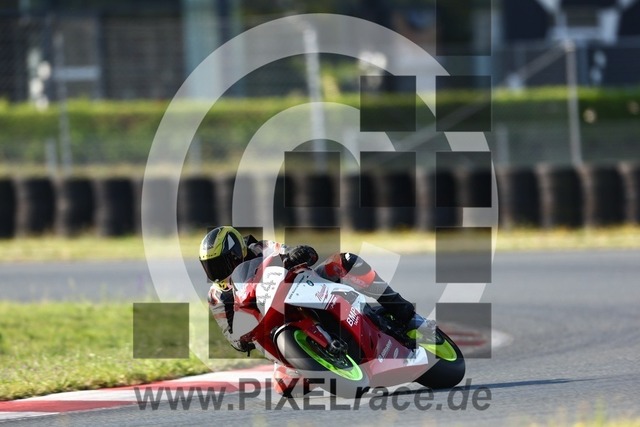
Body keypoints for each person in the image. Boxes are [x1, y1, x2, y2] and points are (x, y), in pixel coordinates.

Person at [199, 226, 435, 396]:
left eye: (221, 264)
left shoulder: (261, 248)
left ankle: (406, 314)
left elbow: (298, 254)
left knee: (345, 261)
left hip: (300, 290)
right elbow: (231, 335)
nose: (217, 272)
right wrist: (242, 339)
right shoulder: (216, 296)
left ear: (237, 253)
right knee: (286, 388)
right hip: (273, 329)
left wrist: (298, 254)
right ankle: (326, 360)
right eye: (210, 267)